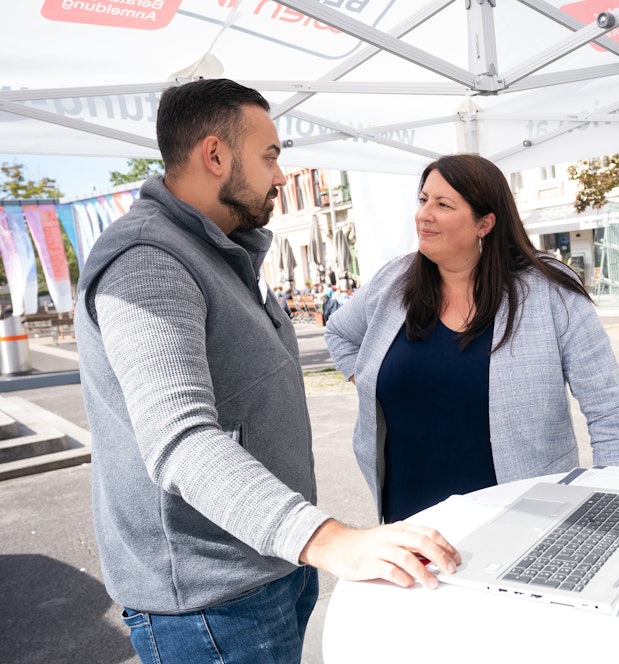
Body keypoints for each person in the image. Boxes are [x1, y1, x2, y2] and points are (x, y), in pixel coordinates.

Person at [74, 78, 459, 663]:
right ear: (215, 155)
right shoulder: (149, 262)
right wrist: (326, 540)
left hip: (266, 564)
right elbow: (180, 441)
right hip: (212, 601)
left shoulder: (219, 248)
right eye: (271, 155)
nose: (281, 175)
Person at [324, 153, 619, 523]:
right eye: (424, 199)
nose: (424, 214)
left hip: (522, 522)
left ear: (485, 223)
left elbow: (610, 413)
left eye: (443, 204)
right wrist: (366, 379)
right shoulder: (394, 282)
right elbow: (340, 333)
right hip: (411, 526)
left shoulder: (550, 292)